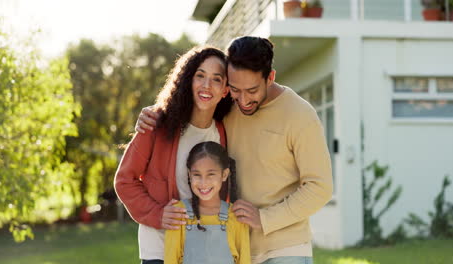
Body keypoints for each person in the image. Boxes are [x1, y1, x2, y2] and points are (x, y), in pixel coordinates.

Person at [136, 36, 333, 264]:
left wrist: (265, 218)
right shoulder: (227, 109)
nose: (243, 100)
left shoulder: (299, 114)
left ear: (270, 77)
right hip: (234, 246)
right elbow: (190, 111)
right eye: (235, 89)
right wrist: (155, 114)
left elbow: (320, 188)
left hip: (285, 247)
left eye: (252, 90)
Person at [114, 46, 233, 264]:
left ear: (225, 90)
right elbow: (125, 180)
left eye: (217, 79)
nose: (207, 85)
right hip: (159, 247)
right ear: (188, 80)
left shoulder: (224, 131)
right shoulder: (156, 123)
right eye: (200, 76)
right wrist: (157, 214)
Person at [164, 141, 250, 264]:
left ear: (224, 174)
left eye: (211, 174)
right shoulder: (179, 213)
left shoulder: (236, 216)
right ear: (189, 175)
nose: (203, 183)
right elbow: (170, 260)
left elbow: (244, 260)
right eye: (197, 175)